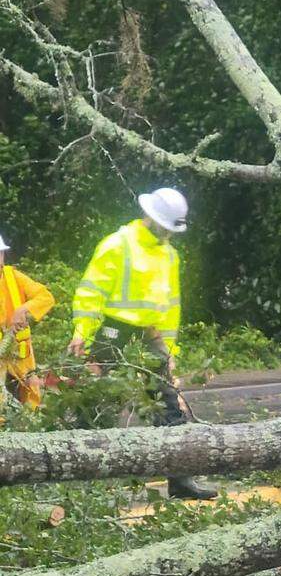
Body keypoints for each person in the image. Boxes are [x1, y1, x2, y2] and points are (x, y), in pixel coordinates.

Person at [67, 187, 216, 500]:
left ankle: (180, 481)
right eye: (166, 227)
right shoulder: (118, 244)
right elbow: (91, 293)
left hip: (151, 336)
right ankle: (80, 484)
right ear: (151, 217)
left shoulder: (169, 255)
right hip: (115, 332)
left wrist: (170, 353)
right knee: (98, 405)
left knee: (169, 406)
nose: (168, 234)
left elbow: (171, 308)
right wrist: (82, 333)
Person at [0, 232, 56, 410]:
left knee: (28, 405)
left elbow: (45, 297)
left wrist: (23, 309)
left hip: (20, 362)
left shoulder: (13, 278)